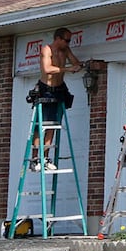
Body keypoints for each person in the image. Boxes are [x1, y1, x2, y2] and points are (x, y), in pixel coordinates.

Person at [30, 27, 82, 170]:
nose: (68, 43)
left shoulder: (65, 50)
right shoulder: (46, 50)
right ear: (58, 39)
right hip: (46, 89)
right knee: (41, 125)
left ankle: (45, 157)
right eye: (66, 40)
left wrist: (76, 64)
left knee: (53, 125)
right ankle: (35, 159)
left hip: (59, 89)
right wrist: (67, 69)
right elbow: (47, 69)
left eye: (69, 41)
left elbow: (76, 63)